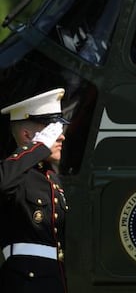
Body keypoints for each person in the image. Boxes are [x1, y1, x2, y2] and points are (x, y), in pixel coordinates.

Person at [0, 88, 70, 293]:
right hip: (24, 282)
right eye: (51, 130)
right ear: (27, 135)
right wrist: (37, 147)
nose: (61, 137)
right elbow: (3, 183)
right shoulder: (13, 173)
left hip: (53, 280)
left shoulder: (52, 179)